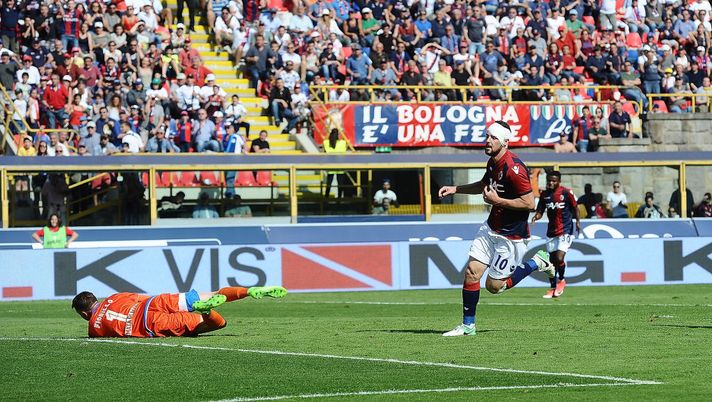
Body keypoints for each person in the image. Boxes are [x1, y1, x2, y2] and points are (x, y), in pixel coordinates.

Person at [437, 121, 555, 336]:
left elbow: (529, 204)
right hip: (491, 227)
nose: (488, 141)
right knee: (472, 273)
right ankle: (468, 326)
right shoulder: (492, 162)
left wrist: (497, 201)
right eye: (487, 136)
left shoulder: (515, 169)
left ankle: (537, 262)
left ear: (505, 142)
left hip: (512, 235)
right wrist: (456, 188)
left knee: (494, 286)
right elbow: (483, 185)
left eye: (492, 138)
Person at [71, 285, 287, 338]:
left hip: (148, 323)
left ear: (83, 314)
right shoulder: (113, 297)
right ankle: (248, 291)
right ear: (95, 299)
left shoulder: (93, 327)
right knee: (210, 292)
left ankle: (206, 312)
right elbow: (140, 297)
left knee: (215, 325)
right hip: (153, 303)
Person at [531, 171, 581, 298]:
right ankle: (552, 288)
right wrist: (536, 217)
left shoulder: (566, 192)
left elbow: (575, 207)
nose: (551, 183)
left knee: (559, 258)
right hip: (551, 231)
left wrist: (578, 222)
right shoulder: (544, 195)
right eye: (549, 180)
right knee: (552, 263)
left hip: (566, 229)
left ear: (559, 181)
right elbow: (540, 210)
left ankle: (562, 280)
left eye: (554, 181)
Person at [323, 128, 349, 199]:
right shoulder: (343, 143)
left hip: (330, 165)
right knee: (340, 184)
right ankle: (339, 199)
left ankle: (326, 198)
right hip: (340, 165)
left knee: (329, 183)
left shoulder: (326, 142)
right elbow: (346, 144)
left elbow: (325, 150)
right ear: (338, 135)